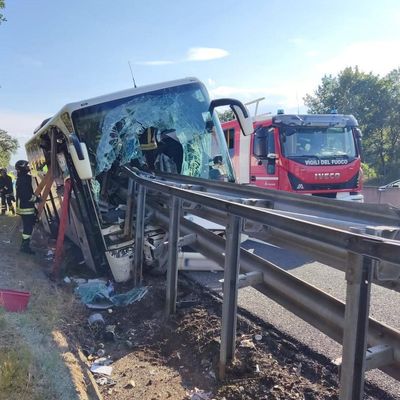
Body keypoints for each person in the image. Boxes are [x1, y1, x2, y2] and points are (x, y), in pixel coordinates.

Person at [15, 160, 40, 254]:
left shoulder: (21, 178)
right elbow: (26, 195)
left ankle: (25, 245)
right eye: (26, 166)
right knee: (28, 227)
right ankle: (25, 247)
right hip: (26, 208)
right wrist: (37, 199)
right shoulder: (24, 179)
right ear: (22, 168)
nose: (28, 167)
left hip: (24, 207)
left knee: (28, 227)